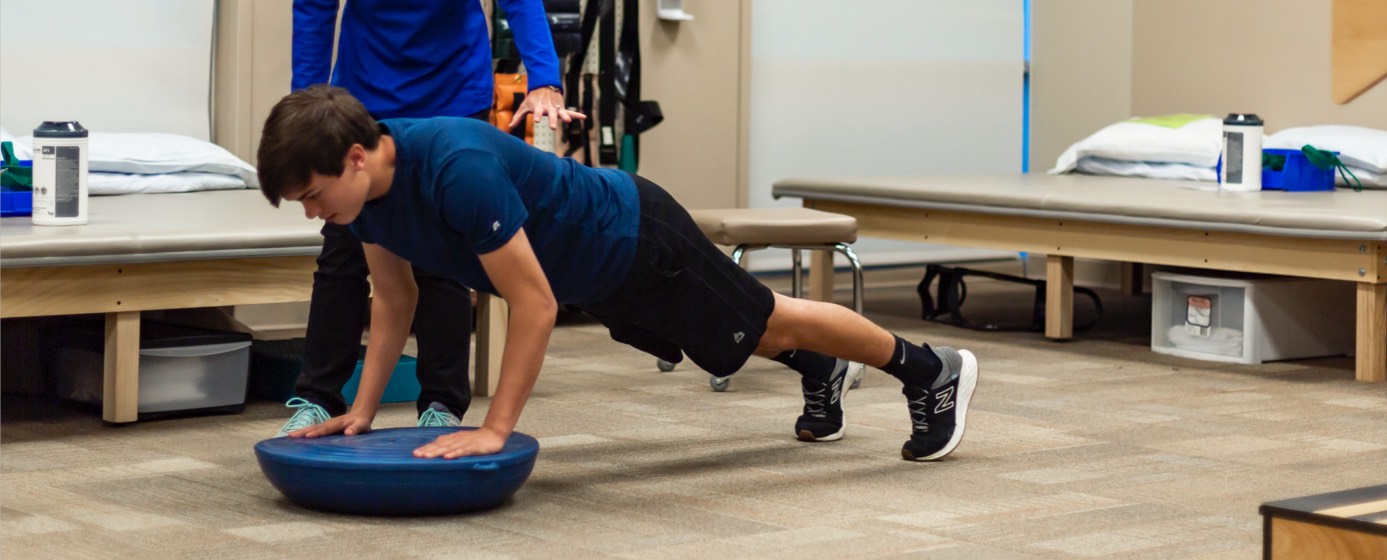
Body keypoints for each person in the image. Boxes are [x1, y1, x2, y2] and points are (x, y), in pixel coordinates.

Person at [258, 86, 979, 462]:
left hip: (635, 236)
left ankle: (932, 369)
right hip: (597, 274)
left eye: (312, 195)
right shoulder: (364, 206)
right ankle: (820, 370)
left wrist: (496, 431)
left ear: (356, 157)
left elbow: (532, 306)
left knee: (767, 319)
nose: (313, 214)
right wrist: (363, 409)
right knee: (725, 340)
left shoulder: (455, 169)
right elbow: (393, 301)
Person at [278, 0, 586, 437]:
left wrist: (544, 79)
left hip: (452, 93)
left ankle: (442, 401)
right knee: (343, 255)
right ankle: (317, 398)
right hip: (361, 99)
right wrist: (306, 111)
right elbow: (314, 8)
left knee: (444, 259)